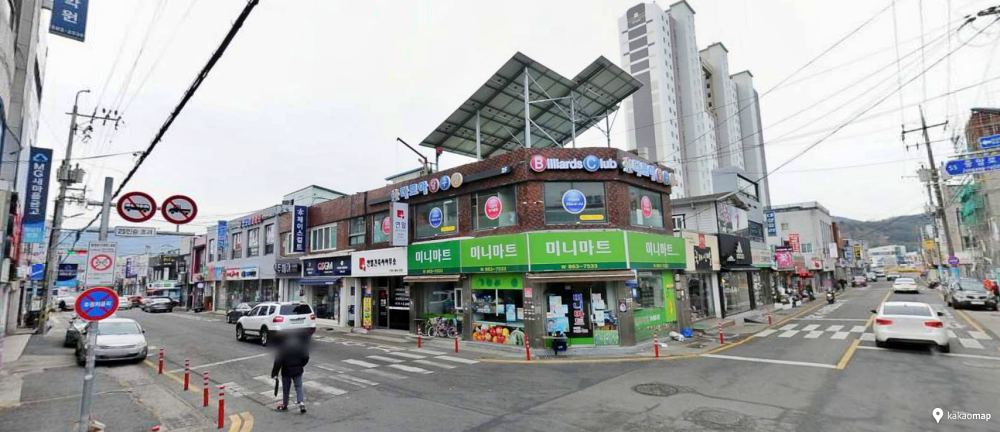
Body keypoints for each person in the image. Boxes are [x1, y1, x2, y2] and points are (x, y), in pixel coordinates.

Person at [271, 333, 310, 413]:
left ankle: (285, 405)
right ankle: (301, 403)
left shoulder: (282, 347)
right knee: (299, 386)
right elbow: (306, 357)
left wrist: (275, 373)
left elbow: (278, 361)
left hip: (286, 371)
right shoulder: (300, 346)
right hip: (298, 370)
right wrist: (301, 365)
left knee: (286, 388)